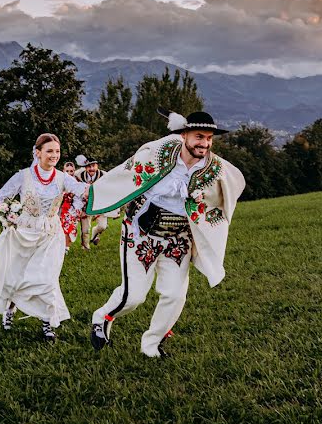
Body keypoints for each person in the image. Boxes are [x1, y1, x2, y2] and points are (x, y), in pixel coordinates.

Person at [87, 110, 245, 357]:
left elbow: (235, 184)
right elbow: (129, 171)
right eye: (199, 136)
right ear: (184, 135)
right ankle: (102, 317)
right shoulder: (160, 152)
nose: (204, 143)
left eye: (209, 138)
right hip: (141, 232)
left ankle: (151, 345)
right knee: (133, 296)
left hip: (178, 239)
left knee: (175, 295)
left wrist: (203, 207)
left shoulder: (215, 169)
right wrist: (101, 197)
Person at [0, 133, 86, 341]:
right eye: (49, 151)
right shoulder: (23, 176)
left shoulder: (64, 178)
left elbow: (81, 190)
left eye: (57, 151)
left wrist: (97, 191)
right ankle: (10, 310)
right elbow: (2, 196)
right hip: (23, 235)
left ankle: (47, 323)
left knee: (47, 279)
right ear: (38, 153)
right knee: (16, 277)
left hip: (51, 235)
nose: (54, 155)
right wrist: (3, 213)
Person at [74, 156, 111, 249]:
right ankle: (85, 246)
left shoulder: (104, 175)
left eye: (93, 166)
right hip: (85, 205)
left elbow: (111, 188)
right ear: (85, 168)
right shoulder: (78, 175)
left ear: (97, 166)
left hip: (100, 204)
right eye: (89, 166)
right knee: (85, 228)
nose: (91, 169)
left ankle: (95, 233)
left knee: (103, 226)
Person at [59, 162, 79, 252]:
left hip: (72, 209)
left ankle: (67, 247)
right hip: (61, 208)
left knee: (70, 228)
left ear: (74, 171)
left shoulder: (77, 182)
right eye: (67, 171)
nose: (69, 173)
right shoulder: (59, 181)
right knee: (62, 228)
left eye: (71, 171)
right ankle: (62, 247)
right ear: (63, 171)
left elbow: (80, 197)